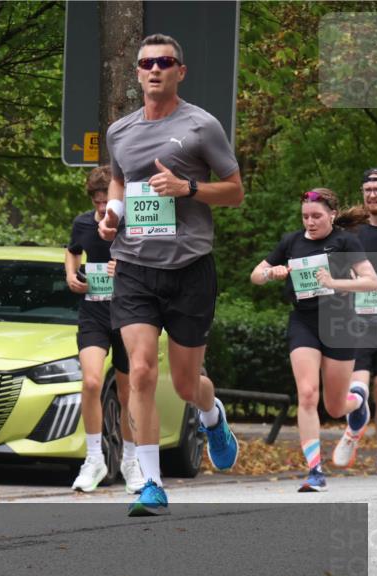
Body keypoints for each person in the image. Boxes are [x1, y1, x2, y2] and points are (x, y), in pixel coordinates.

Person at [98, 33, 245, 517]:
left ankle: (212, 414)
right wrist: (113, 213)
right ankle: (151, 484)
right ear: (137, 73)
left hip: (189, 269)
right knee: (139, 371)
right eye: (146, 63)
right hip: (136, 266)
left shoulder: (203, 126)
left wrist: (189, 187)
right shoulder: (119, 131)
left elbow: (234, 191)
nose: (154, 69)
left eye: (164, 62)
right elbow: (120, 177)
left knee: (186, 384)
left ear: (180, 71)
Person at [250, 188, 377, 491]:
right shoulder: (291, 242)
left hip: (338, 323)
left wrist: (335, 282)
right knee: (307, 394)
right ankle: (315, 470)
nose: (310, 222)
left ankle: (358, 404)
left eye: (317, 216)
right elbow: (256, 274)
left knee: (335, 408)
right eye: (305, 216)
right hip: (304, 323)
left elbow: (371, 281)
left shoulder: (346, 241)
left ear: (332, 215)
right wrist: (273, 274)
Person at [65, 166, 143, 493]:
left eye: (105, 200)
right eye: (96, 201)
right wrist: (71, 276)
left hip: (127, 314)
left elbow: (154, 261)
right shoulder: (83, 223)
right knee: (92, 381)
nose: (101, 207)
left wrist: (124, 266)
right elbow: (72, 251)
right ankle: (94, 458)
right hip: (93, 312)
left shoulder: (133, 225)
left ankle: (130, 460)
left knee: (128, 393)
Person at [332, 168, 377, 486]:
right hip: (357, 322)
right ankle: (355, 426)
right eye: (367, 189)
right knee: (357, 390)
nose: (372, 195)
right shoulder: (351, 233)